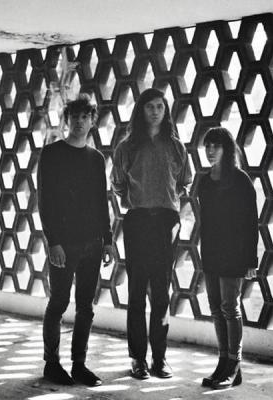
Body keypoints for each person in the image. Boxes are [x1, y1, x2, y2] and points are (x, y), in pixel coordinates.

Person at [111, 88, 192, 380]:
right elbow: (117, 183)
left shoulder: (176, 146)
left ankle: (160, 358)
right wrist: (139, 199)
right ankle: (138, 359)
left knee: (161, 292)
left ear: (165, 111)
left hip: (166, 223)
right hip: (138, 220)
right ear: (141, 110)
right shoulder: (127, 147)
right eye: (150, 107)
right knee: (136, 293)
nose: (155, 111)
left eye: (160, 106)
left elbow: (185, 181)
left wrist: (165, 199)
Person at [38, 94, 115, 386]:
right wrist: (53, 241)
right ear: (67, 119)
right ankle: (51, 363)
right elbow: (45, 202)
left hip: (92, 243)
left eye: (85, 117)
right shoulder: (52, 154)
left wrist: (107, 240)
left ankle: (79, 365)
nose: (80, 122)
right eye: (75, 116)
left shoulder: (96, 159)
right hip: (64, 243)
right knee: (58, 302)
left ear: (92, 121)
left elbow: (101, 202)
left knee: (86, 307)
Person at [197, 127, 258, 389]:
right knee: (215, 308)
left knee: (230, 308)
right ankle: (224, 362)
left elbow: (251, 223)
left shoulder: (241, 180)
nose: (211, 151)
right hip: (211, 252)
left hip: (235, 253)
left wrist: (251, 261)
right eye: (207, 146)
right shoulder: (204, 181)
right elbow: (205, 222)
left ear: (227, 149)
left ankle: (233, 364)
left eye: (216, 146)